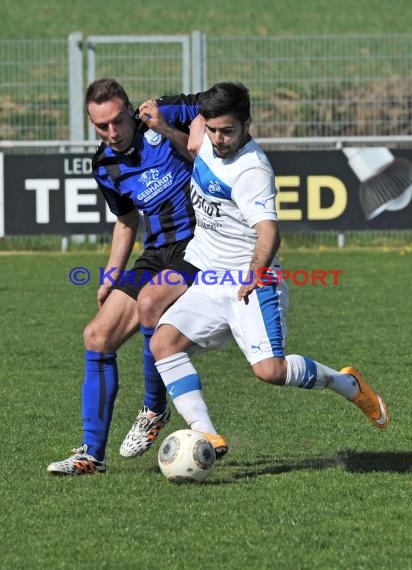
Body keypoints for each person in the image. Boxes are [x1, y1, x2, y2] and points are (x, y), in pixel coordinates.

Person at [149, 82, 390, 442]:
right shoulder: (205, 134)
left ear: (248, 123)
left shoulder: (252, 172)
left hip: (252, 281)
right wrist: (165, 129)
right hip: (211, 279)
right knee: (162, 343)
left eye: (228, 131)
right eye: (213, 129)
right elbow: (197, 149)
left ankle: (348, 383)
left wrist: (254, 274)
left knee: (270, 371)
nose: (219, 139)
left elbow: (268, 232)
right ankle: (206, 437)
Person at [47, 78, 227, 476]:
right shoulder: (105, 165)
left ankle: (153, 407)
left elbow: (218, 113)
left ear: (130, 110)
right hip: (156, 252)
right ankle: (92, 456)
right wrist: (110, 275)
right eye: (101, 126)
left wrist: (172, 130)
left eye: (116, 121)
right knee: (96, 335)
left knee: (149, 302)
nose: (111, 132)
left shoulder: (165, 113)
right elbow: (127, 220)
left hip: (202, 245)